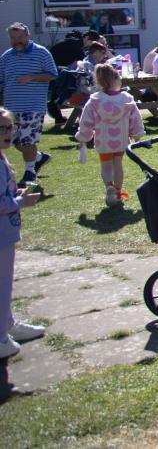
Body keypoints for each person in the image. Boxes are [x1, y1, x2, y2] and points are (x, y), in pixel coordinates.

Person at [0, 107, 46, 359]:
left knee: (6, 282)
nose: (9, 133)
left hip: (6, 231)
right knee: (2, 283)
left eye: (10, 127)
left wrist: (16, 195)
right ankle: (1, 337)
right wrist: (21, 203)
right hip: (2, 233)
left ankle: (8, 325)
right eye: (3, 128)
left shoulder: (2, 159)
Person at [73, 62, 145, 208]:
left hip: (103, 140)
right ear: (116, 80)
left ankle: (109, 186)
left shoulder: (94, 100)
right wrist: (136, 135)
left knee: (106, 166)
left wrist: (83, 138)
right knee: (118, 165)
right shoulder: (126, 99)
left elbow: (86, 121)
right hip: (121, 139)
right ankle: (117, 192)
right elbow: (135, 119)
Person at [0, 23, 58, 188]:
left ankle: (30, 172)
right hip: (10, 108)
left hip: (32, 105)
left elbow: (53, 74)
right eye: (13, 38)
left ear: (28, 36)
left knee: (27, 141)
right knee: (15, 142)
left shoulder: (41, 52)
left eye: (20, 37)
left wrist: (32, 77)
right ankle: (39, 157)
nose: (17, 41)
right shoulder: (6, 56)